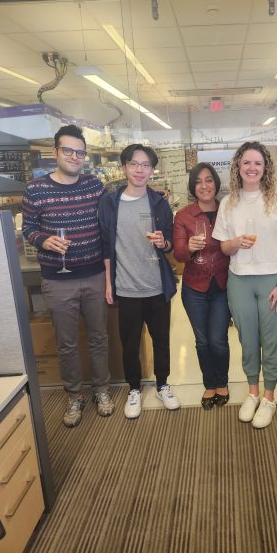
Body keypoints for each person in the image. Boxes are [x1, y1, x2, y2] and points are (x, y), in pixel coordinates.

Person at [22, 124, 114, 428]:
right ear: (55, 152)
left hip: (94, 275)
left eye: (80, 152)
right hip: (57, 280)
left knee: (99, 338)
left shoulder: (95, 185)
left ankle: (101, 390)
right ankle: (74, 396)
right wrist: (43, 240)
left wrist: (152, 196)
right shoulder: (36, 190)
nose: (75, 156)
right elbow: (28, 229)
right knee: (67, 344)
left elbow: (114, 212)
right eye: (68, 150)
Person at [213, 141, 277, 429]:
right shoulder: (228, 202)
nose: (251, 168)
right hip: (239, 280)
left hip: (272, 280)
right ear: (238, 167)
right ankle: (252, 393)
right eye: (246, 163)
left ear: (265, 168)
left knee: (273, 340)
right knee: (248, 341)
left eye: (257, 163)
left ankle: (269, 397)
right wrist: (234, 243)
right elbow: (223, 247)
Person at [98, 144, 180, 419]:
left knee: (162, 341)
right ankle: (134, 389)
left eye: (146, 165)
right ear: (124, 167)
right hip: (127, 287)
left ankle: (163, 384)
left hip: (156, 286)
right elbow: (106, 245)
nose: (139, 170)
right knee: (130, 344)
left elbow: (169, 243)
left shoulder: (159, 202)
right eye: (134, 164)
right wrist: (109, 283)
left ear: (152, 170)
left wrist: (163, 242)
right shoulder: (109, 203)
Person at [173, 163, 230, 409]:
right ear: (192, 187)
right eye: (198, 181)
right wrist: (189, 248)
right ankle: (210, 384)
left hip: (223, 285)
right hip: (194, 287)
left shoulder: (228, 210)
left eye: (208, 180)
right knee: (202, 341)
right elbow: (178, 255)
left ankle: (222, 382)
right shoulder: (184, 215)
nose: (204, 186)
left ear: (216, 183)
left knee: (218, 340)